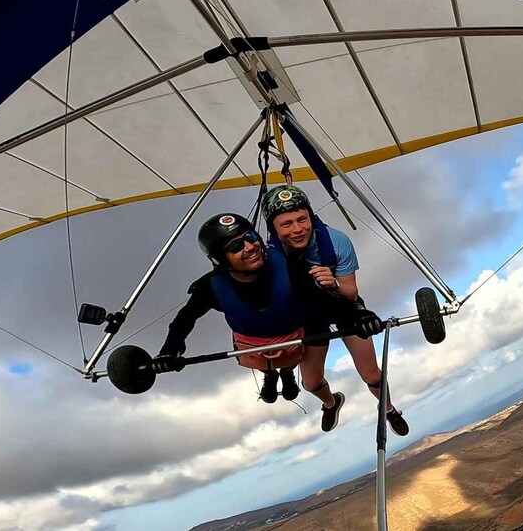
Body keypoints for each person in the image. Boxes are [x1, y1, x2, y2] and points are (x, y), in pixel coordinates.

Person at [157, 213, 383, 432]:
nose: (249, 247)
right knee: (265, 362)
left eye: (250, 237)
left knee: (288, 360)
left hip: (289, 336)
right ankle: (272, 377)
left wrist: (359, 316)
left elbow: (324, 300)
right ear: (220, 259)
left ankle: (286, 375)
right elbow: (184, 320)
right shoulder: (211, 287)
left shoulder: (288, 266)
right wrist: (169, 350)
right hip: (253, 343)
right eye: (235, 247)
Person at [263, 185, 410, 437]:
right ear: (274, 229)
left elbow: (351, 292)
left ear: (311, 216)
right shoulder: (271, 257)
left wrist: (333, 283)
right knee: (310, 382)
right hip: (309, 314)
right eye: (287, 224)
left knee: (370, 373)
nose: (297, 229)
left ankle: (388, 409)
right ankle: (331, 402)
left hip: (342, 305)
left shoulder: (336, 241)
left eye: (302, 219)